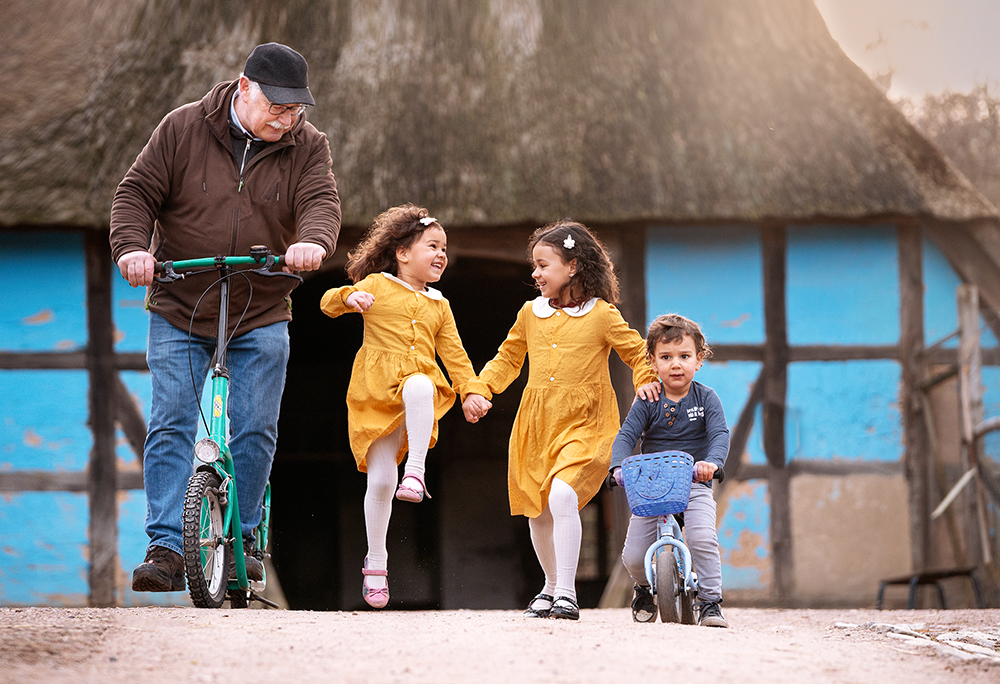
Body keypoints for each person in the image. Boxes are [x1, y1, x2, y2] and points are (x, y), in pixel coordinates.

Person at [110, 42, 341, 592]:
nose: (286, 121)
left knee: (256, 428)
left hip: (261, 308)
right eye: (276, 108)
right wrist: (131, 250)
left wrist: (312, 241)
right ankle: (166, 548)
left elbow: (320, 203)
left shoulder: (308, 146)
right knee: (169, 424)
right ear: (243, 88)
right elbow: (136, 193)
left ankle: (248, 537)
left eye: (295, 111)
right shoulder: (182, 128)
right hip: (180, 305)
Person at [461, 219, 659, 621]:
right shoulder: (529, 314)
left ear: (572, 267)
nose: (534, 273)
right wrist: (480, 389)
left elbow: (638, 353)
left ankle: (567, 593)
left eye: (542, 264)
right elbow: (508, 358)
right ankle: (550, 587)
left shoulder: (602, 314)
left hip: (588, 422)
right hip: (537, 423)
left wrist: (645, 381)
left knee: (562, 497)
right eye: (533, 265)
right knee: (538, 509)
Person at [319, 204, 483, 609]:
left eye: (444, 247)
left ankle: (417, 473)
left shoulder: (440, 305)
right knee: (378, 483)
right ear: (403, 253)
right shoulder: (377, 283)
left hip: (415, 396)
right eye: (432, 245)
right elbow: (326, 303)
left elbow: (456, 355)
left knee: (421, 385)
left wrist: (472, 391)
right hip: (374, 396)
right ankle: (376, 563)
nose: (441, 253)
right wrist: (349, 295)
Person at [609, 314, 730, 628]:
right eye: (666, 357)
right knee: (634, 555)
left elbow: (719, 435)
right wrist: (618, 466)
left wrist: (712, 464)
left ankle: (710, 603)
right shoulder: (648, 400)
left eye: (684, 356)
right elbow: (626, 436)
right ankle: (644, 587)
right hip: (651, 485)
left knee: (703, 538)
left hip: (693, 481)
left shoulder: (707, 399)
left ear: (699, 360)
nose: (676, 364)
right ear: (652, 362)